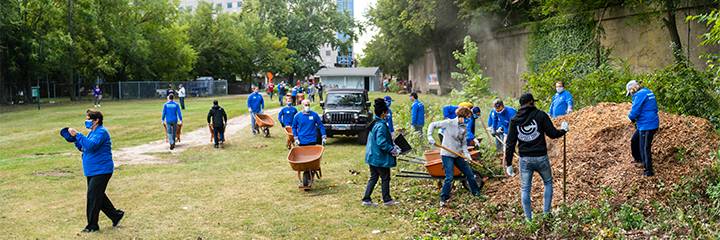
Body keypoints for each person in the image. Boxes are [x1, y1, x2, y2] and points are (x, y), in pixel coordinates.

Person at [504, 93, 568, 221]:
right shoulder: (540, 115)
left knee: (525, 189)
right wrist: (563, 130)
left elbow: (510, 144)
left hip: (525, 160)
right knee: (548, 182)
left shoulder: (515, 120)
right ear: (532, 102)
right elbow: (553, 134)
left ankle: (529, 219)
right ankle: (546, 214)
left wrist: (509, 163)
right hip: (541, 157)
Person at [67, 110, 124, 232]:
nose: (86, 121)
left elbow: (92, 146)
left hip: (102, 170)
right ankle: (115, 215)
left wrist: (78, 135)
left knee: (93, 196)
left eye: (89, 119)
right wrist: (76, 141)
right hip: (92, 170)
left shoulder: (101, 132)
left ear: (96, 120)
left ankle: (92, 225)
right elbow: (85, 148)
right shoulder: (92, 133)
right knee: (98, 196)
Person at [427, 107, 481, 207]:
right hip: (447, 154)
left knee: (469, 173)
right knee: (449, 177)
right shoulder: (449, 123)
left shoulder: (464, 127)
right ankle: (443, 199)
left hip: (457, 154)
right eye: (467, 117)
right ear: (461, 116)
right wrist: (430, 136)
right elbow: (432, 124)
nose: (468, 120)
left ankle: (476, 193)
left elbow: (464, 143)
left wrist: (467, 155)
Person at [362, 98, 401, 207]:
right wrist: (392, 149)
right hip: (379, 157)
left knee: (373, 177)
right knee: (385, 177)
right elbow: (381, 142)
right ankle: (387, 200)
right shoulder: (381, 125)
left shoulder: (375, 122)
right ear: (383, 113)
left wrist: (392, 143)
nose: (388, 114)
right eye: (387, 112)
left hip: (372, 155)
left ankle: (366, 199)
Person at [626, 80, 659, 177]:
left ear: (632, 89)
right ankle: (639, 159)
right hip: (647, 123)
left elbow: (635, 110)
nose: (631, 95)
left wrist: (631, 118)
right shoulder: (647, 91)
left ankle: (648, 171)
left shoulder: (640, 95)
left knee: (644, 147)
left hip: (647, 125)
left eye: (630, 92)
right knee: (634, 140)